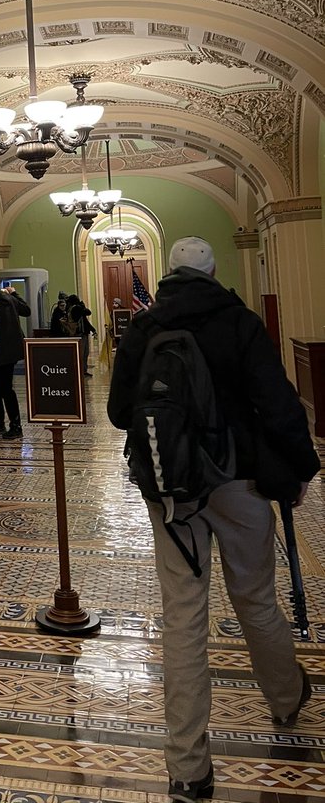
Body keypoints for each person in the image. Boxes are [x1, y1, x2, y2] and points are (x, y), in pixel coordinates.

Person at [107, 237, 320, 803]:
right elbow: (277, 401)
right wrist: (300, 470)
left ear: (169, 272)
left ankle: (188, 768)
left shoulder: (144, 328)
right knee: (255, 599)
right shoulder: (240, 321)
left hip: (173, 490)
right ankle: (284, 700)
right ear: (214, 272)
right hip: (239, 483)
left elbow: (117, 411)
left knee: (182, 617)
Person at [0, 279, 30, 439]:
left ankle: (15, 426)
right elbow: (26, 310)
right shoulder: (9, 298)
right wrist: (14, 292)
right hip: (9, 352)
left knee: (3, 389)